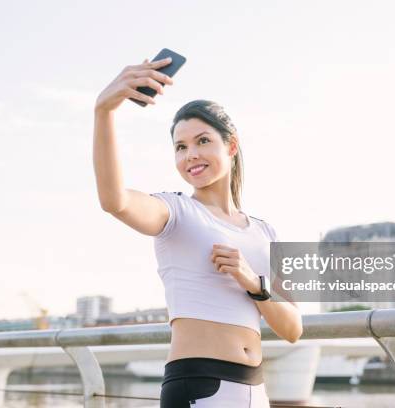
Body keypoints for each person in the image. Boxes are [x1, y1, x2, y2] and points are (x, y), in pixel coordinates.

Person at [93, 56, 303, 407]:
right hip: (198, 387)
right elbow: (114, 201)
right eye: (180, 147)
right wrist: (104, 112)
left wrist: (252, 282)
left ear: (231, 146)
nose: (191, 155)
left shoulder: (264, 231)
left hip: (255, 390)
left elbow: (294, 329)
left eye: (202, 141)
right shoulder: (176, 211)